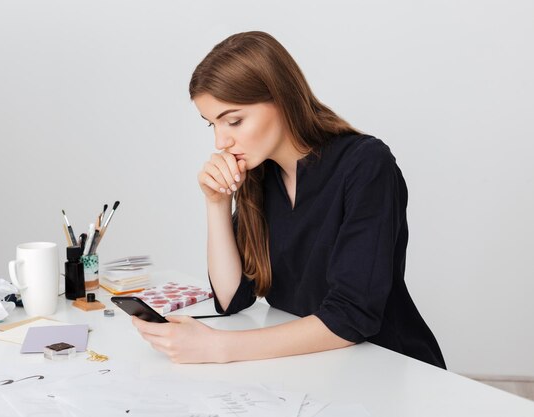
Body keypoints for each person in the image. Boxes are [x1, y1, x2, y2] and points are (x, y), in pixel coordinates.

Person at [132, 31, 446, 368]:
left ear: (281, 99)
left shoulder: (366, 164)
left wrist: (220, 347)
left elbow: (352, 316)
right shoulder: (261, 175)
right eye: (212, 125)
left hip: (390, 366)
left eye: (234, 120)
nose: (221, 140)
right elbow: (231, 298)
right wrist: (216, 202)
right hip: (312, 366)